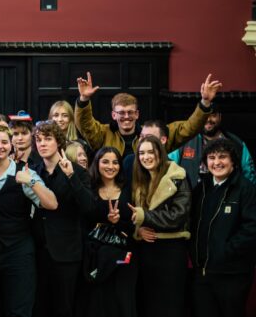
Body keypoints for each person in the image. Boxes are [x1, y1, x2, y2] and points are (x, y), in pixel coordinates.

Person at [0, 124, 57, 317]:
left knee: (19, 309)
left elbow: (52, 204)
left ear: (11, 146)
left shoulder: (25, 173)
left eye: (4, 142)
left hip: (18, 254)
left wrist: (30, 181)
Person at [30, 121, 94, 317]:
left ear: (58, 142)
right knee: (40, 308)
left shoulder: (78, 171)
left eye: (48, 139)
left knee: (64, 308)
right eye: (38, 140)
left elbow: (89, 208)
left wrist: (71, 176)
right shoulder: (34, 171)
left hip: (66, 253)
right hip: (38, 252)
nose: (42, 144)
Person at [74, 72, 220, 156]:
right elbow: (84, 124)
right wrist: (84, 99)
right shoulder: (102, 134)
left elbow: (187, 129)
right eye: (121, 113)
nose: (126, 116)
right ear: (113, 115)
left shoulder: (153, 134)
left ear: (137, 114)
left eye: (130, 112)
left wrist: (205, 102)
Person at [189, 138, 256, 317]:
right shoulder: (200, 189)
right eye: (211, 157)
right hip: (202, 273)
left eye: (222, 157)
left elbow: (252, 228)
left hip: (232, 274)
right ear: (205, 162)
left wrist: (225, 251)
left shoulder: (246, 189)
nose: (217, 162)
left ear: (233, 160)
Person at [129, 135, 190, 317]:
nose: (146, 156)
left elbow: (177, 216)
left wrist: (144, 216)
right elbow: (134, 216)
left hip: (171, 252)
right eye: (141, 153)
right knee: (148, 304)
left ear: (160, 153)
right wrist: (138, 230)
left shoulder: (178, 177)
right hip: (147, 251)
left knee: (169, 304)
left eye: (150, 152)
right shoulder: (140, 180)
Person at [80, 146, 136, 317]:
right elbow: (83, 221)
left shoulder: (129, 189)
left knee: (122, 300)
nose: (110, 166)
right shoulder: (88, 189)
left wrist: (118, 221)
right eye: (105, 161)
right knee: (98, 302)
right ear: (96, 164)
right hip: (96, 258)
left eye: (115, 162)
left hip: (124, 258)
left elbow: (136, 223)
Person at [170, 110, 256, 187]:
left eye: (213, 115)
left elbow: (250, 178)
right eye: (204, 116)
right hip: (192, 201)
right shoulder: (183, 142)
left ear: (220, 116)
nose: (208, 119)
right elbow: (168, 170)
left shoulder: (237, 144)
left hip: (228, 200)